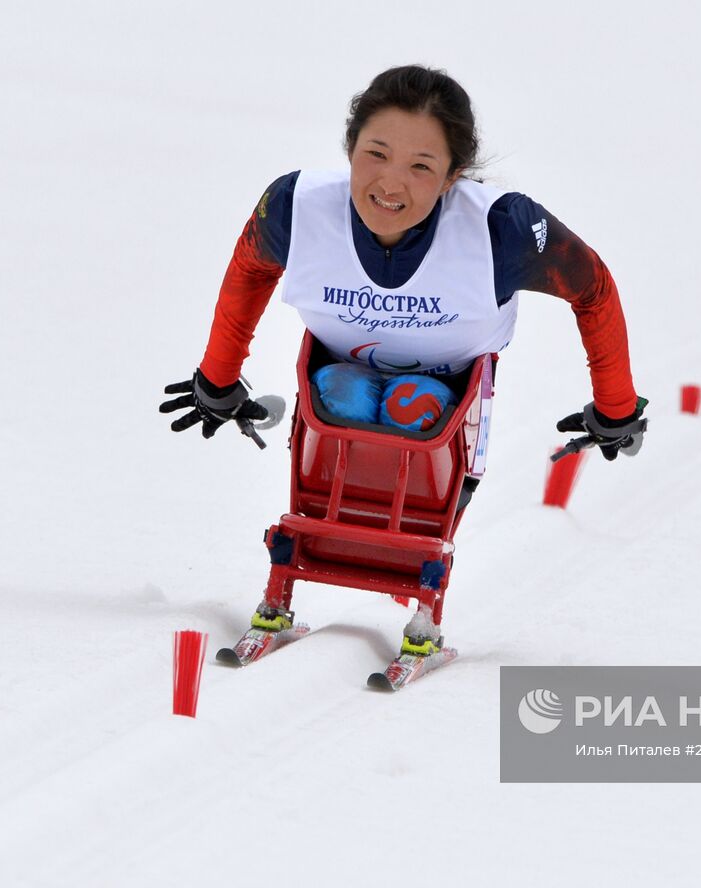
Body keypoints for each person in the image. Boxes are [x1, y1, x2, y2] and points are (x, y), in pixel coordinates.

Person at [161, 64, 646, 660]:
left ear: (452, 177)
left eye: (421, 166)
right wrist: (217, 379)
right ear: (350, 148)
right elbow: (251, 267)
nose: (390, 183)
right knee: (342, 397)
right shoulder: (295, 205)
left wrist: (616, 407)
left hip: (449, 398)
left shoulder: (503, 228)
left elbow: (593, 288)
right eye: (376, 153)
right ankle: (299, 570)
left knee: (413, 411)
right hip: (337, 382)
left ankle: (419, 593)